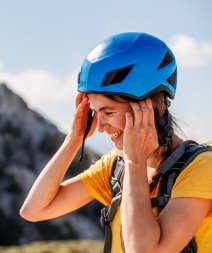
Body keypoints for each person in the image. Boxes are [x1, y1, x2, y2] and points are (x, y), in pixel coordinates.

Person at [20, 32, 212, 253]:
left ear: (149, 108)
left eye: (108, 112)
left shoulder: (201, 168)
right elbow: (34, 210)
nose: (100, 126)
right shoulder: (116, 166)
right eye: (95, 112)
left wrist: (135, 162)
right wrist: (74, 138)